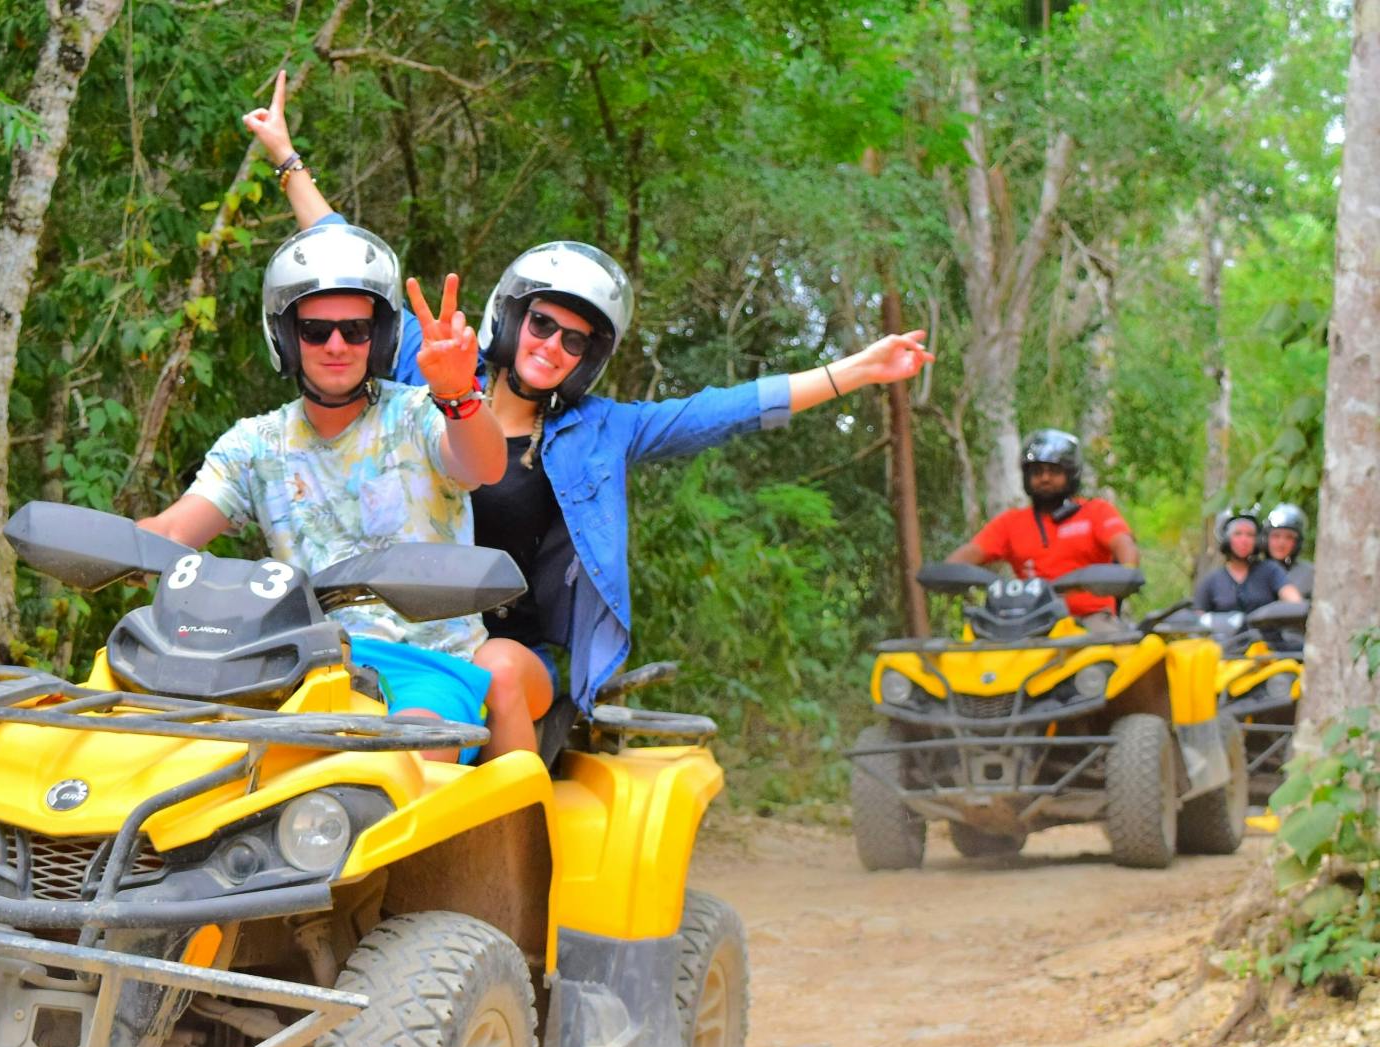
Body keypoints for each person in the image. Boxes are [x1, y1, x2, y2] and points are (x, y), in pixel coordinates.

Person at [241, 72, 934, 710]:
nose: (553, 346)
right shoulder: (439, 376)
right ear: (512, 319)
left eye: (576, 340)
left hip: (513, 648)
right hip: (398, 638)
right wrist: (286, 159)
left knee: (501, 666)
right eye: (543, 323)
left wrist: (856, 371)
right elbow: (352, 272)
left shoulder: (601, 429)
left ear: (589, 358)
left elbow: (722, 411)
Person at [139, 221, 538, 761]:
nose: (335, 346)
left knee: (397, 763)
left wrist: (459, 394)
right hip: (295, 666)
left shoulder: (419, 414)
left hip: (427, 664)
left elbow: (484, 465)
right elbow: (173, 530)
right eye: (314, 331)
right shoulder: (256, 443)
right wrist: (126, 546)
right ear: (285, 334)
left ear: (379, 337)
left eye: (354, 330)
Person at [945, 430, 1140, 625]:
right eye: (1037, 472)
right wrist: (946, 573)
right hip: (1028, 623)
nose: (1045, 478)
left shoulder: (1096, 511)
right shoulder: (1011, 522)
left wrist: (1127, 572)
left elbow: (1123, 544)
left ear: (1071, 474)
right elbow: (971, 552)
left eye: (1054, 471)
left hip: (1091, 620)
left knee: (1113, 649)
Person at [1192, 507, 1302, 614]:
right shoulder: (1212, 581)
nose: (1244, 540)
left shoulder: (1270, 570)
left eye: (1250, 534)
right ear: (1226, 538)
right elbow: (1197, 621)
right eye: (1238, 534)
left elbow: (1294, 600)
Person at [1263, 503, 1315, 599]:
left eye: (1289, 537)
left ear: (1297, 542)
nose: (1281, 543)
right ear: (1266, 539)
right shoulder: (1252, 571)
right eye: (1276, 536)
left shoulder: (1310, 573)